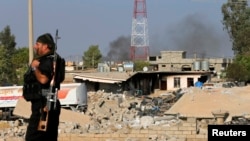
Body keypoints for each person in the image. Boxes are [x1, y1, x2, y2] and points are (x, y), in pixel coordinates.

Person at [23, 33, 64, 141]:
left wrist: (34, 68)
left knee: (33, 137)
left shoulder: (47, 61)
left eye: (38, 44)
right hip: (48, 106)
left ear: (46, 46)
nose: (34, 46)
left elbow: (43, 79)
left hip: (43, 107)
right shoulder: (54, 60)